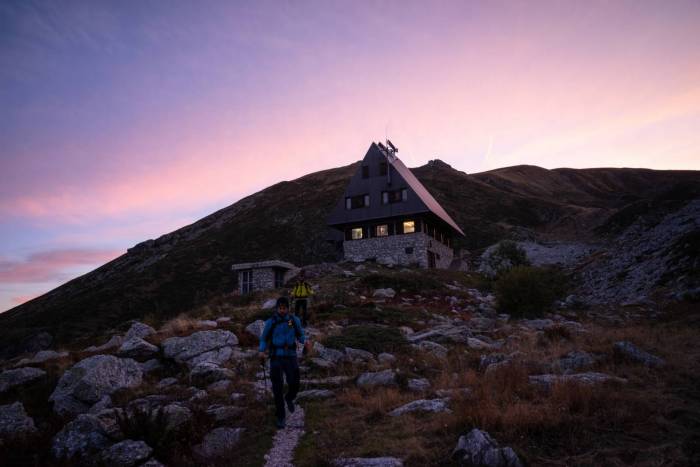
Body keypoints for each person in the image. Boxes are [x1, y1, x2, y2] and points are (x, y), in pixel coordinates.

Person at [259, 296, 305, 428]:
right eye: (280, 308)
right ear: (277, 308)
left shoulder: (294, 320)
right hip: (276, 357)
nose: (282, 310)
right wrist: (261, 351)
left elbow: (300, 335)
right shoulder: (271, 322)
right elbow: (263, 338)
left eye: (285, 308)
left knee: (294, 383)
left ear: (288, 308)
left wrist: (305, 341)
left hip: (291, 356)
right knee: (277, 387)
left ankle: (289, 397)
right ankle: (281, 416)